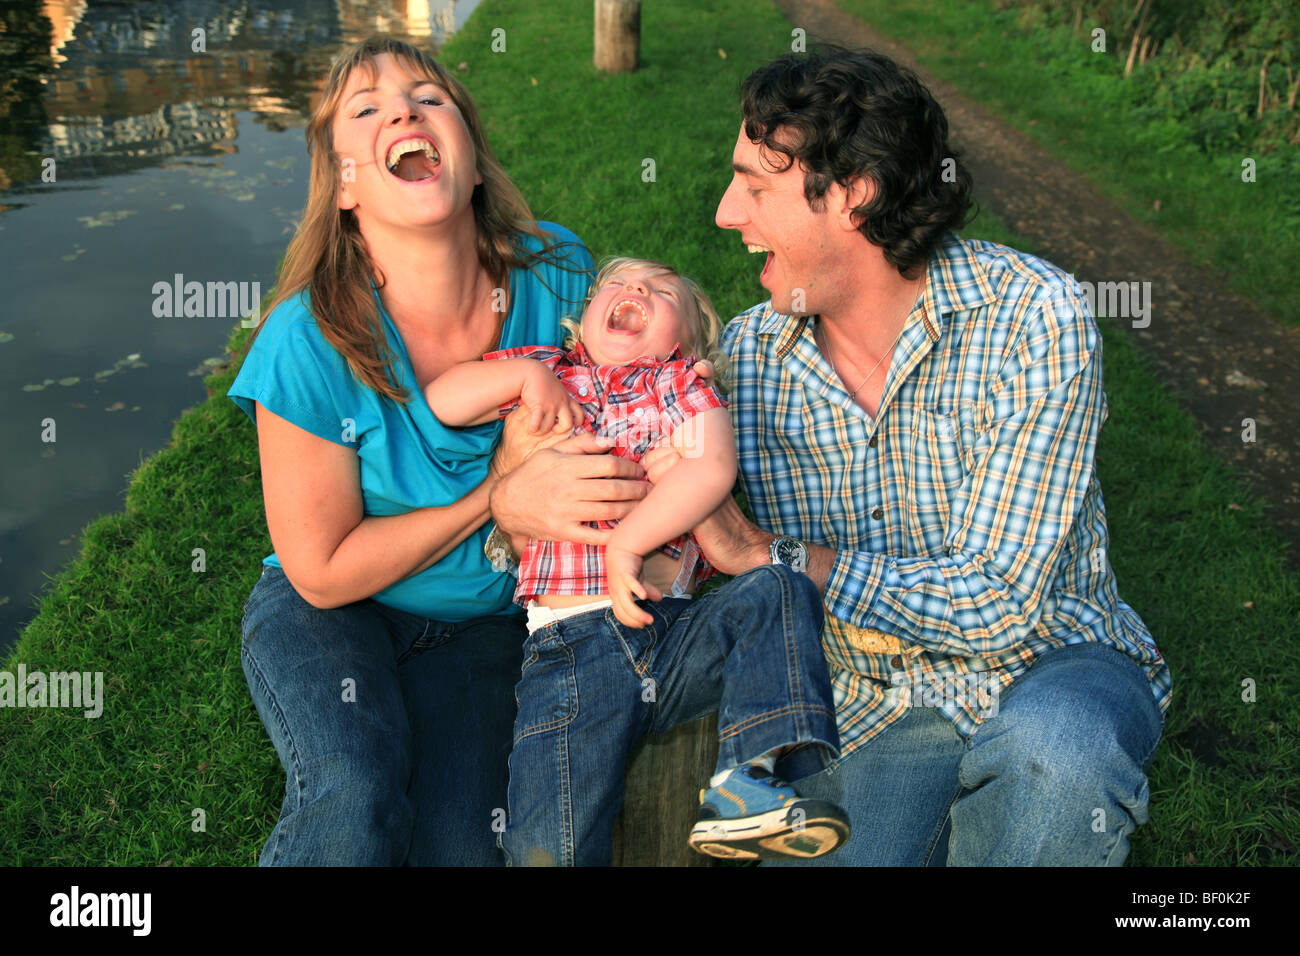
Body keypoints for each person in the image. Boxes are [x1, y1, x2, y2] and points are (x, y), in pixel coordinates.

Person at [492, 45, 1173, 866]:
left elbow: (998, 602)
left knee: (1056, 757)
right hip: (869, 703)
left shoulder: (1035, 318)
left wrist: (763, 553)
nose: (723, 213)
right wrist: (516, 499)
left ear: (853, 194)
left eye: (753, 185)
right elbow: (623, 481)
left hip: (1050, 664)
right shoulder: (741, 363)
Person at [226, 36, 611, 865]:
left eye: (429, 97)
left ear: (472, 162)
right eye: (365, 110)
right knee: (354, 797)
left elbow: (636, 402)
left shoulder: (557, 274)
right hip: (334, 612)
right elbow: (322, 570)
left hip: (485, 625)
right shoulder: (308, 339)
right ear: (345, 189)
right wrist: (496, 501)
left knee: (465, 849)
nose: (403, 109)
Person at [426, 257, 850, 864]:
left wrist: (628, 544)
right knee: (550, 844)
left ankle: (749, 785)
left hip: (671, 630)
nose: (633, 291)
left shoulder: (681, 387)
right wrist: (524, 377)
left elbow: (710, 467)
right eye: (617, 285)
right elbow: (444, 399)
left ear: (686, 341)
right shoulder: (553, 372)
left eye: (659, 291)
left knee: (778, 587)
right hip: (570, 646)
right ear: (584, 321)